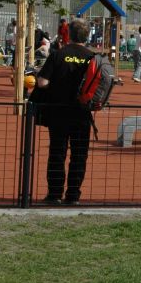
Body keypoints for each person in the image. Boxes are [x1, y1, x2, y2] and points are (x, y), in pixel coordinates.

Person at [34, 18, 95, 205]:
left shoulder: (58, 54)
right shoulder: (92, 57)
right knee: (79, 155)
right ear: (87, 36)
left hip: (58, 112)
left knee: (57, 153)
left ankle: (54, 194)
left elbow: (42, 82)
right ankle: (73, 195)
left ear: (69, 34)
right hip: (82, 112)